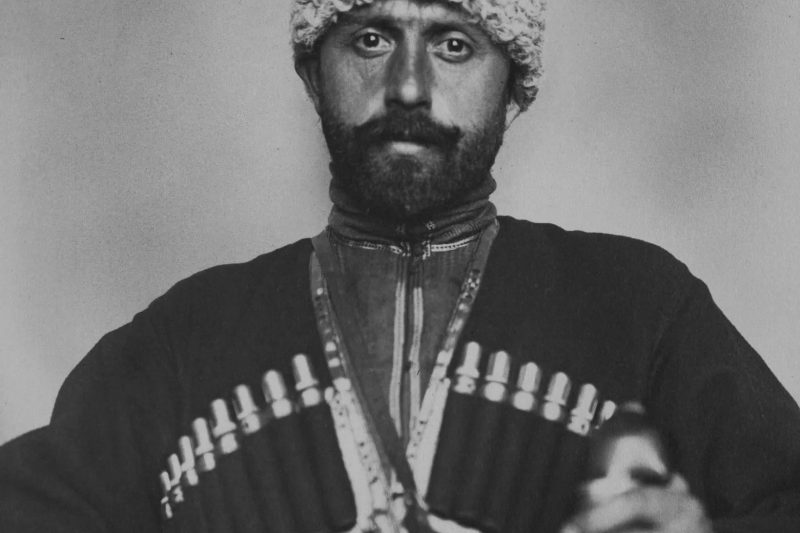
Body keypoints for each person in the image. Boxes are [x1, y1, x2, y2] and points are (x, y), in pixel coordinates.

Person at [1, 0, 799, 532]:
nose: (410, 86)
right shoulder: (186, 338)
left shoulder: (638, 304)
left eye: (454, 44)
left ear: (514, 86)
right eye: (372, 39)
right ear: (314, 71)